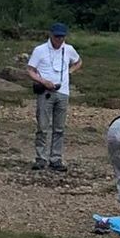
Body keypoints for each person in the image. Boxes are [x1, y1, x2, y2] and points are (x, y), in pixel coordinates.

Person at [26, 23, 81, 172]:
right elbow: (30, 70)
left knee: (59, 128)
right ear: (51, 35)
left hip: (63, 92)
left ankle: (56, 158)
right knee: (42, 127)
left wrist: (69, 72)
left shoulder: (68, 49)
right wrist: (43, 81)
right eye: (57, 36)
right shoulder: (40, 50)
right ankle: (41, 158)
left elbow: (78, 61)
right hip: (45, 92)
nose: (59, 39)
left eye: (62, 37)